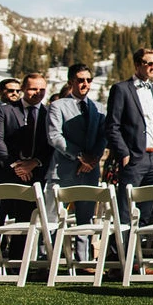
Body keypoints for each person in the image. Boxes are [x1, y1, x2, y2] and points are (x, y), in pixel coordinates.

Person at [105, 48, 153, 264]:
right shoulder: (121, 89)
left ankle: (135, 259)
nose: (152, 67)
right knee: (125, 211)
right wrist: (123, 153)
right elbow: (112, 126)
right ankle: (118, 262)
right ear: (137, 64)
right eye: (147, 63)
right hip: (133, 158)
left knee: (145, 212)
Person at [0, 72, 52, 259]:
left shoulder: (48, 113)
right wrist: (15, 165)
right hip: (6, 173)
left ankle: (17, 262)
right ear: (23, 89)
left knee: (26, 219)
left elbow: (51, 145)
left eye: (42, 89)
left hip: (35, 174)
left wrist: (34, 163)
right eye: (32, 88)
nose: (37, 93)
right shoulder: (6, 110)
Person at [46, 63, 107, 262]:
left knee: (85, 218)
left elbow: (103, 136)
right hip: (63, 170)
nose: (85, 84)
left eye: (88, 80)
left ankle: (84, 261)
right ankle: (47, 261)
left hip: (89, 171)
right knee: (52, 219)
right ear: (71, 81)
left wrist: (93, 159)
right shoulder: (58, 106)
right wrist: (80, 156)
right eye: (81, 80)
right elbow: (55, 137)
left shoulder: (98, 108)